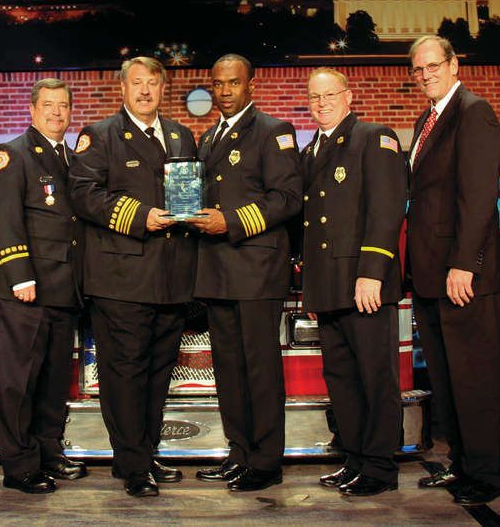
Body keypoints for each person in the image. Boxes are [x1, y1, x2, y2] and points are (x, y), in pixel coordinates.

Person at [68, 57, 198, 498]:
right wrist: (142, 216)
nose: (145, 91)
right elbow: (83, 194)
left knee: (159, 373)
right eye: (137, 83)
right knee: (125, 373)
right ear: (122, 88)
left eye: (153, 84)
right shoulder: (100, 135)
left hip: (172, 276)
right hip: (120, 276)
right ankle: (132, 467)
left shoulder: (181, 134)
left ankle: (147, 452)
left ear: (164, 89)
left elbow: (186, 195)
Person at [191, 54, 303, 492]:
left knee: (259, 369)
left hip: (255, 268)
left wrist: (231, 222)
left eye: (233, 83)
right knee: (229, 369)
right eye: (217, 84)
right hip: (216, 269)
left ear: (251, 85)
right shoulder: (206, 138)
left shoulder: (274, 131)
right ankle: (238, 452)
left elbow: (288, 198)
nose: (224, 91)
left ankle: (266, 460)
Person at [405, 36, 500, 507]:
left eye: (432, 66)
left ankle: (486, 476)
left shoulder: (474, 111)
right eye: (417, 69)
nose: (425, 74)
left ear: (453, 64)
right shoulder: (427, 119)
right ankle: (462, 465)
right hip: (428, 274)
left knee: (473, 379)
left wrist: (465, 263)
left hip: (460, 274)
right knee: (446, 380)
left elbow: (480, 195)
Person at [299, 68, 406, 497]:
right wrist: (310, 287)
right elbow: (311, 227)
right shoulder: (309, 154)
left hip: (364, 284)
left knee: (375, 378)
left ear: (348, 95)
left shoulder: (374, 137)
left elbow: (387, 209)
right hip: (328, 286)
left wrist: (372, 273)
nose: (322, 102)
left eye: (330, 94)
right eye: (314, 97)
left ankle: (381, 467)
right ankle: (356, 459)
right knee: (341, 379)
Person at [0, 78, 87, 495]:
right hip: (23, 290)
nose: (56, 113)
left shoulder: (73, 158)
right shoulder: (13, 154)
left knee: (52, 381)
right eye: (48, 105)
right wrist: (20, 275)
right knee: (17, 382)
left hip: (63, 289)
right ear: (32, 109)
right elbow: (3, 217)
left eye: (63, 106)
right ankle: (20, 464)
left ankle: (48, 449)